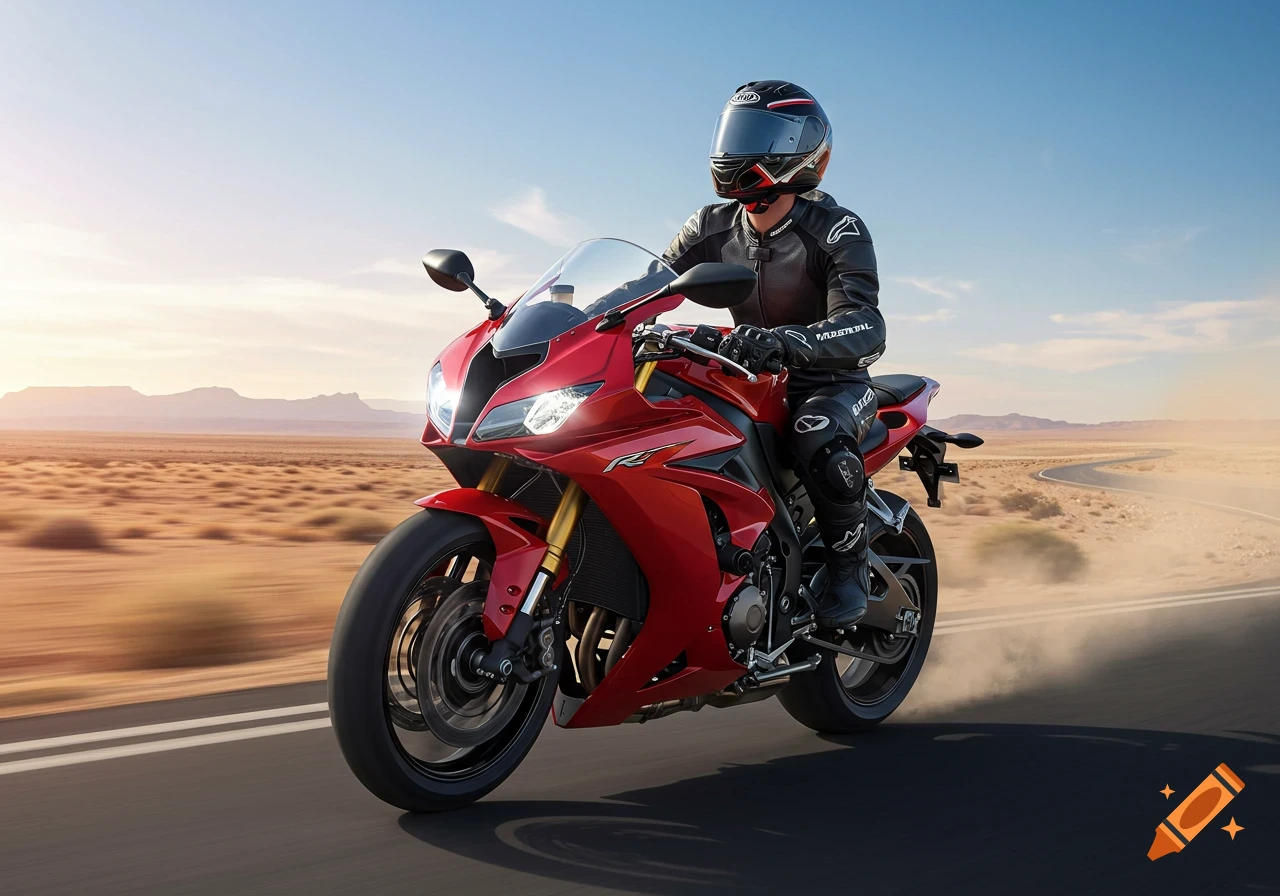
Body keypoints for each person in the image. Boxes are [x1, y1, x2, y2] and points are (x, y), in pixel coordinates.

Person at [663, 80, 885, 629]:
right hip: (749, 377)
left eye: (756, 137)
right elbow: (645, 285)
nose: (735, 151)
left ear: (797, 153)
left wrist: (789, 341)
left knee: (814, 431)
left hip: (829, 384)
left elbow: (867, 324)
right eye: (732, 135)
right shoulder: (708, 226)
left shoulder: (836, 228)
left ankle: (848, 570)